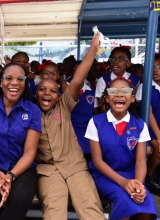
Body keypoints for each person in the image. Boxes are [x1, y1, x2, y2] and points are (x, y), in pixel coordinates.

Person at [35, 30, 104, 219]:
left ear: (59, 95)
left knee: (90, 209)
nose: (47, 94)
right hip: (48, 172)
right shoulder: (30, 114)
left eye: (53, 91)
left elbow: (77, 80)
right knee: (54, 212)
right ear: (35, 93)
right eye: (42, 90)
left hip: (75, 167)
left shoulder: (64, 106)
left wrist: (92, 50)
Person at [0, 62, 41, 220]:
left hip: (21, 170)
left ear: (25, 83)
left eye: (20, 78)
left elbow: (30, 152)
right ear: (1, 82)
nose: (14, 82)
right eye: (9, 78)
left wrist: (10, 176)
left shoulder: (33, 110)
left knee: (19, 199)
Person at [85, 77, 157, 220]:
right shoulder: (96, 122)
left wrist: (138, 184)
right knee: (125, 201)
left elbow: (141, 161)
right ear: (106, 98)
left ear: (132, 98)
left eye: (124, 91)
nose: (119, 94)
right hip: (105, 176)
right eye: (113, 91)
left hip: (132, 176)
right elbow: (98, 161)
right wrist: (124, 183)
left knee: (145, 205)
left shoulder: (140, 125)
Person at [136, 53, 160, 194]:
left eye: (159, 66)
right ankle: (149, 177)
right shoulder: (145, 86)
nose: (155, 70)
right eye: (152, 67)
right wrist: (158, 134)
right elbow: (148, 113)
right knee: (157, 147)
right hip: (148, 128)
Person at [95, 46, 140, 112]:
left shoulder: (135, 79)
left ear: (128, 63)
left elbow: (136, 103)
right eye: (113, 58)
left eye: (120, 59)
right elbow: (102, 104)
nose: (115, 62)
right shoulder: (103, 80)